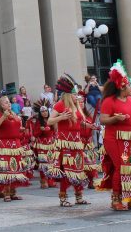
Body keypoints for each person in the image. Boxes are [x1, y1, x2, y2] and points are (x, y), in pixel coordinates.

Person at [97, 60, 131, 211]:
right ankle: (116, 199)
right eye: (129, 86)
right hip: (115, 138)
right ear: (121, 87)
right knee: (121, 167)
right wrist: (115, 118)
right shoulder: (109, 101)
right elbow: (103, 119)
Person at [48, 76, 89, 207]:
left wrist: (90, 125)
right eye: (74, 94)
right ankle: (63, 197)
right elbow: (49, 121)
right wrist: (61, 117)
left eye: (77, 94)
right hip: (64, 142)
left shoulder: (77, 106)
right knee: (66, 170)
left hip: (76, 142)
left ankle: (79, 196)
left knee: (78, 168)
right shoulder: (60, 105)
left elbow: (80, 123)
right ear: (68, 95)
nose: (77, 97)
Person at [0, 95, 29, 202]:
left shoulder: (14, 114)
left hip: (15, 144)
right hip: (4, 144)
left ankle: (13, 192)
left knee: (15, 167)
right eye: (6, 102)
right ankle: (6, 192)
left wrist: (20, 129)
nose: (9, 104)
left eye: (9, 102)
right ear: (1, 105)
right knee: (6, 168)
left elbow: (15, 127)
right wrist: (3, 117)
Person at [27, 98, 55, 189]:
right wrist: (41, 130)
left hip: (51, 144)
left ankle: (51, 180)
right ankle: (44, 180)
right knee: (43, 163)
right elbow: (35, 133)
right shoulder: (38, 122)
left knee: (51, 162)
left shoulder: (51, 120)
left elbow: (55, 131)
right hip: (42, 144)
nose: (45, 113)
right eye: (42, 111)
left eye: (46, 111)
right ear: (40, 113)